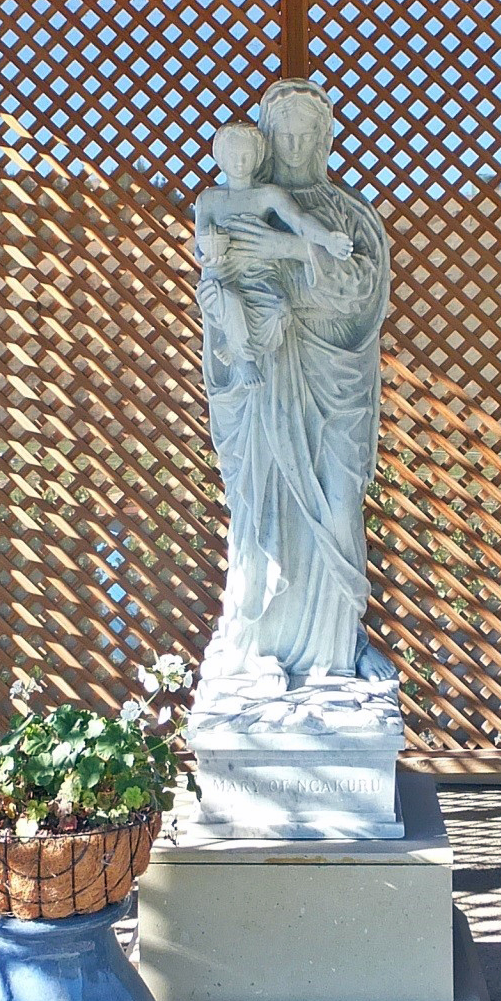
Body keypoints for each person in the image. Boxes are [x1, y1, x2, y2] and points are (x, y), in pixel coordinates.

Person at [196, 78, 392, 691]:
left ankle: (344, 638)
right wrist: (227, 312)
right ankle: (259, 642)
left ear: (329, 139)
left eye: (311, 134)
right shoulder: (237, 204)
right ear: (266, 143)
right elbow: (219, 283)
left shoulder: (348, 214)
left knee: (339, 508)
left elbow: (360, 291)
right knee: (264, 516)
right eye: (287, 135)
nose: (300, 145)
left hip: (334, 384)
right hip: (267, 381)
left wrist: (287, 246)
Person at [194, 119, 353, 393]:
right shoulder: (208, 200)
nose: (240, 162)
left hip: (260, 274)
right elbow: (200, 241)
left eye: (246, 155)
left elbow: (299, 219)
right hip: (223, 275)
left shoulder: (267, 194)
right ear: (220, 157)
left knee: (279, 309)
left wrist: (327, 239)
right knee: (229, 301)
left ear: (257, 156)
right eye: (233, 155)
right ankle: (245, 358)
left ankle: (237, 345)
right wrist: (205, 256)